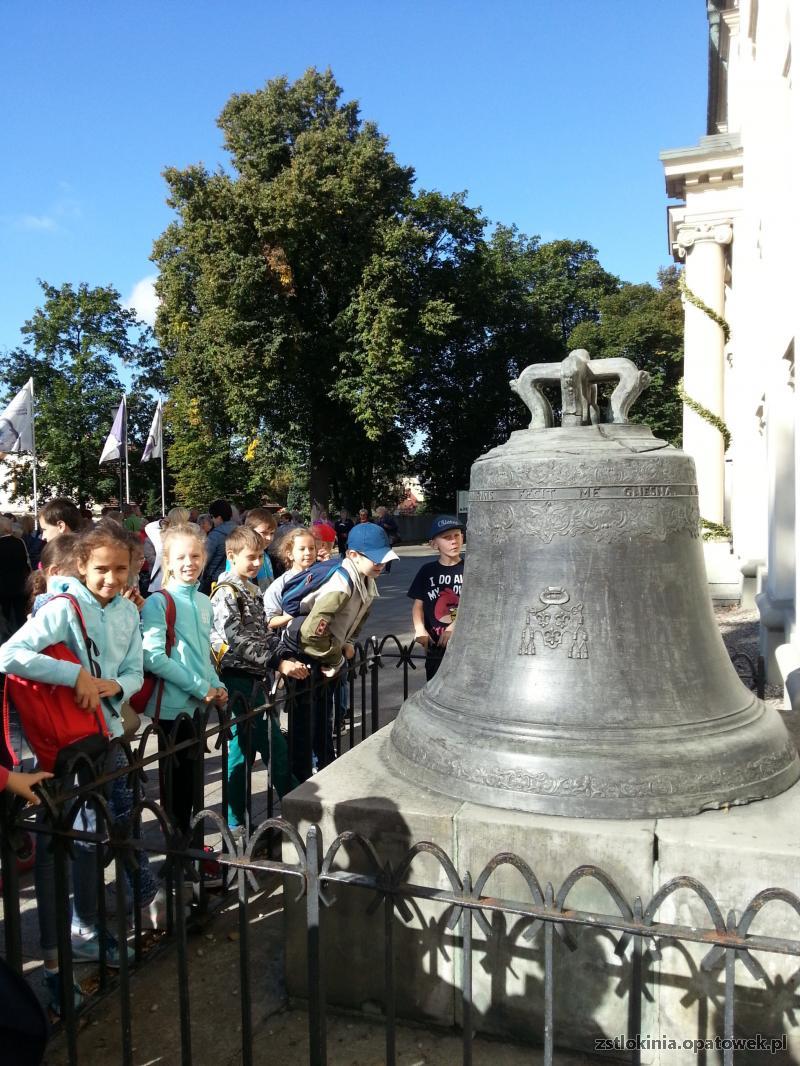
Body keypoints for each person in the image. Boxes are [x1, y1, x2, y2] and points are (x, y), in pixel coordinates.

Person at [0, 521, 146, 1011]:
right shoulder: (63, 608)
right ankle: (59, 951)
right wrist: (74, 674)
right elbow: (10, 655)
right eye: (101, 569)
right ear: (82, 567)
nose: (111, 578)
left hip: (101, 737)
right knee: (61, 843)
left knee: (93, 834)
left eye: (120, 569)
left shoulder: (126, 609)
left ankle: (84, 925)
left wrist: (117, 686)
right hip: (59, 747)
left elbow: (134, 667)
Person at [210, 526, 309, 830]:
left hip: (254, 679)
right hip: (236, 679)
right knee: (269, 745)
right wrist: (276, 662)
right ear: (231, 556)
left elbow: (263, 633)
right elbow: (236, 638)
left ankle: (238, 821)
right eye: (250, 557)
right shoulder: (226, 592)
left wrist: (281, 655)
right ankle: (295, 812)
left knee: (246, 750)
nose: (256, 563)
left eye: (260, 557)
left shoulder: (250, 590)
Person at [141, 523, 227, 835]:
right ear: (167, 560)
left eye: (194, 556)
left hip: (198, 705)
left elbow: (202, 652)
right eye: (180, 557)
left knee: (193, 783)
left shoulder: (204, 600)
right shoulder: (158, 601)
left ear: (204, 557)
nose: (188, 562)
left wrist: (217, 684)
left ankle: (192, 848)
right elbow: (153, 657)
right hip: (172, 708)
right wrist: (200, 686)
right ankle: (179, 856)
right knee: (175, 788)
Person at [288, 523, 398, 676]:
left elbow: (360, 616)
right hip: (308, 658)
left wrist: (349, 642)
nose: (382, 564)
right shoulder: (341, 586)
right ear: (353, 555)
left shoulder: (367, 578)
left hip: (326, 652)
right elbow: (311, 633)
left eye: (384, 558)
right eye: (376, 559)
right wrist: (336, 659)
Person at [407, 516, 465, 680]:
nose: (454, 541)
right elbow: (418, 605)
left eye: (457, 535)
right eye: (447, 538)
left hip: (463, 645)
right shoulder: (427, 571)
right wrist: (420, 628)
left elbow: (472, 606)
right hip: (435, 645)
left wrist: (454, 627)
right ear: (434, 544)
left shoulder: (469, 569)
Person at [143, 506, 189, 594]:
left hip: (160, 581)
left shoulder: (160, 534)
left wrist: (161, 522)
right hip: (181, 579)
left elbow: (148, 526)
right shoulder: (190, 536)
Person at [0, 515, 31, 635]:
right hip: (19, 584)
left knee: (5, 616)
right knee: (20, 616)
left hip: (3, 586)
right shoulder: (20, 542)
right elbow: (27, 562)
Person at [199, 499, 236, 594]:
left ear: (218, 517)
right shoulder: (240, 531)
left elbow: (205, 559)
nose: (212, 520)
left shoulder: (215, 535)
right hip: (234, 577)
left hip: (215, 580)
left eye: (212, 517)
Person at [374, 506, 399, 574]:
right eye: (378, 512)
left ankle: (387, 569)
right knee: (381, 554)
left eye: (379, 512)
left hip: (388, 538)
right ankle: (382, 568)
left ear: (383, 512)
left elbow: (395, 527)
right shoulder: (379, 519)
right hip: (381, 539)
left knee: (387, 554)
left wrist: (388, 526)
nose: (378, 513)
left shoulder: (389, 518)